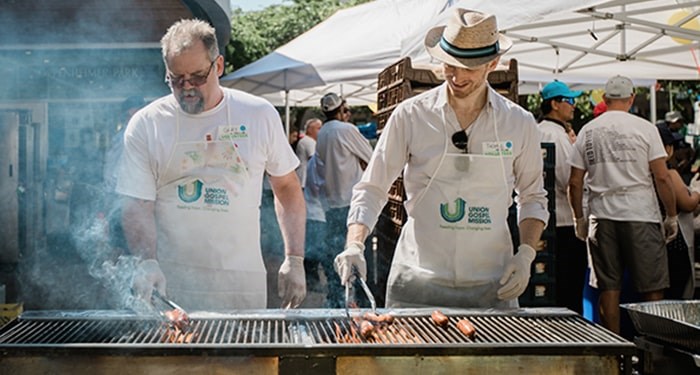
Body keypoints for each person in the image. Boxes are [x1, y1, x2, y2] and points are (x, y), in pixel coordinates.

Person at [334, 9, 549, 308]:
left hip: (492, 284)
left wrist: (526, 253)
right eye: (450, 65)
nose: (456, 76)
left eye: (468, 68)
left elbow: (533, 196)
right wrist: (355, 243)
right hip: (418, 281)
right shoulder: (411, 115)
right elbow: (372, 187)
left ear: (493, 63)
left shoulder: (519, 123)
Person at [116, 19, 306, 310]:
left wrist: (294, 258)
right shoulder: (146, 124)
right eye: (176, 79)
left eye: (197, 77)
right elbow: (138, 204)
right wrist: (147, 262)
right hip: (172, 284)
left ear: (218, 66)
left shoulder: (258, 114)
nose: (187, 88)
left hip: (241, 282)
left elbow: (287, 188)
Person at [568, 75, 678, 334]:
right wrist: (671, 215)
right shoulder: (645, 128)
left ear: (605, 100)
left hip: (601, 217)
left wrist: (579, 219)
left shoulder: (588, 130)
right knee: (652, 288)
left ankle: (616, 355)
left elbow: (574, 182)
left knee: (609, 288)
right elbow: (662, 177)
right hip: (641, 214)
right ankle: (653, 352)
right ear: (632, 99)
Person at [315, 92, 373, 307]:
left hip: (332, 204)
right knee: (357, 255)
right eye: (346, 110)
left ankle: (337, 301)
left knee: (337, 255)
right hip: (352, 203)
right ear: (341, 111)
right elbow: (371, 157)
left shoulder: (322, 133)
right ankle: (358, 303)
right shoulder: (345, 129)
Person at [538, 81, 587, 314]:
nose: (573, 106)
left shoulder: (540, 130)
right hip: (564, 223)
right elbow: (569, 179)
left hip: (544, 221)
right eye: (569, 101)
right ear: (555, 104)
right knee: (568, 289)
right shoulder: (555, 136)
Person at [657, 125, 698, 299]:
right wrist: (696, 191)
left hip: (655, 242)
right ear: (668, 149)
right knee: (677, 293)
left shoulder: (642, 174)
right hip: (676, 241)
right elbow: (688, 204)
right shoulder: (669, 174)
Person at [103, 96, 146, 252]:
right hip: (121, 201)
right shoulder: (120, 138)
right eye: (128, 117)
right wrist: (107, 207)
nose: (131, 121)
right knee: (120, 250)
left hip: (143, 204)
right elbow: (111, 175)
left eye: (136, 117)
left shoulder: (149, 137)